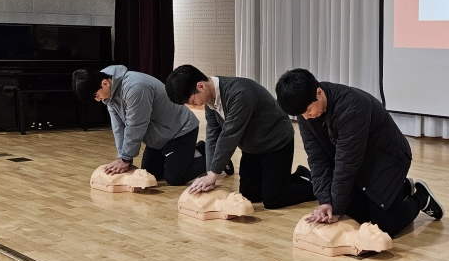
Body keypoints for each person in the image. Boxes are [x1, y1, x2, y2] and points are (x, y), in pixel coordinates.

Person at [274, 68, 443, 237]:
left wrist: (337, 208)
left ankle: (421, 197)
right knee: (357, 216)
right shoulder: (306, 112)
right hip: (360, 161)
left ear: (319, 93)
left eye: (308, 111)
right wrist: (325, 200)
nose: (306, 117)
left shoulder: (352, 108)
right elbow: (317, 158)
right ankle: (403, 188)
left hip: (388, 160)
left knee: (384, 227)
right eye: (301, 114)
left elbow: (346, 164)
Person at [165, 65, 315, 208]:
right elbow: (213, 136)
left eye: (191, 101)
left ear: (201, 86)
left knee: (273, 199)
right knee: (250, 195)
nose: (194, 105)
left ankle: (312, 185)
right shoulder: (210, 101)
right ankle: (291, 178)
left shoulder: (240, 93)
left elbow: (229, 135)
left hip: (276, 142)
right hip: (252, 148)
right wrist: (211, 171)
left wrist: (213, 175)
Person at [72, 65, 205, 186]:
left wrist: (126, 158)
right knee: (151, 175)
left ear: (105, 83)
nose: (97, 99)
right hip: (158, 137)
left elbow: (136, 125)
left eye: (96, 95)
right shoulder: (109, 94)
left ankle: (212, 156)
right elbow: (119, 128)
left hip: (180, 130)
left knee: (175, 178)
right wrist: (122, 157)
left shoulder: (135, 87)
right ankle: (196, 150)